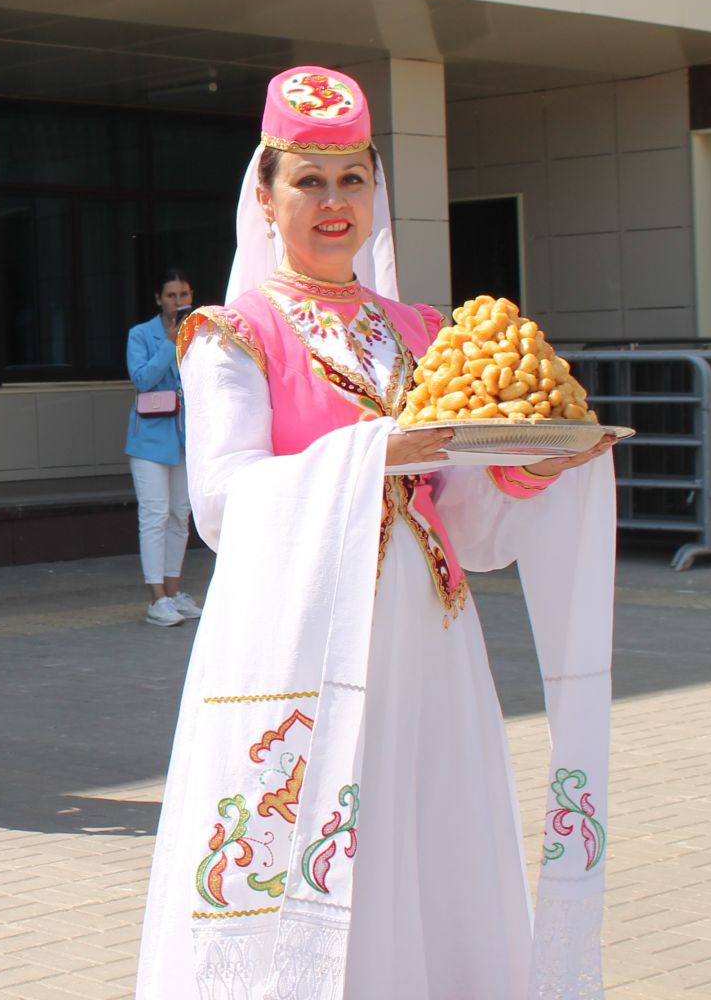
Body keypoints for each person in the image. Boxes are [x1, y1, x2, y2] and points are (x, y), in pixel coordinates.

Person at [136, 67, 618, 999]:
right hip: (304, 643)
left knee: (429, 837)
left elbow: (468, 528)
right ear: (266, 197)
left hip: (431, 641)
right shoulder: (230, 333)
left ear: (376, 192)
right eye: (308, 181)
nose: (332, 202)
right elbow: (226, 505)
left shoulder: (424, 332)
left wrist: (525, 467)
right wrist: (383, 449)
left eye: (352, 179)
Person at [128, 269, 199, 627]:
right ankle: (157, 598)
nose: (178, 302)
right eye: (171, 295)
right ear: (159, 299)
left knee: (179, 515)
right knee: (154, 516)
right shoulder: (141, 334)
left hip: (187, 437)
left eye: (183, 295)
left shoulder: (199, 333)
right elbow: (141, 379)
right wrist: (170, 343)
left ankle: (173, 592)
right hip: (150, 440)